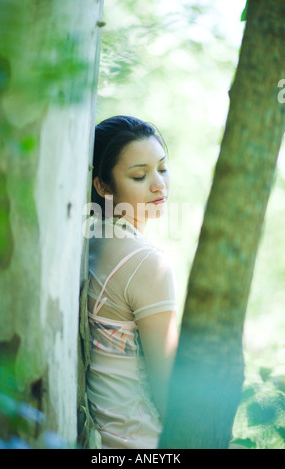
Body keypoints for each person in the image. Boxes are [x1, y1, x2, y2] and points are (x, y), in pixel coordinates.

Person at [86, 115, 179, 449]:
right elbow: (170, 394)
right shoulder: (146, 263)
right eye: (140, 175)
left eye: (163, 168)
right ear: (104, 186)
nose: (159, 185)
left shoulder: (92, 241)